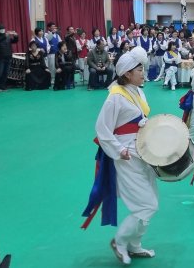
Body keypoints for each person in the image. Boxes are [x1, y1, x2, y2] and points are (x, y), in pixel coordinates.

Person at [81, 47, 157, 265]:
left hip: (143, 152)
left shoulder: (138, 91)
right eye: (139, 69)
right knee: (146, 205)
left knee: (151, 201)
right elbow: (102, 130)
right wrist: (119, 151)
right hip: (127, 156)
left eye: (142, 68)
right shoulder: (115, 98)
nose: (143, 72)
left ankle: (134, 244)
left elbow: (138, 119)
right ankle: (120, 241)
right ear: (126, 74)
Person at [0, 24, 18, 92]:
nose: (3, 30)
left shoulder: (7, 37)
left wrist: (16, 36)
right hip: (0, 57)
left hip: (8, 56)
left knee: (6, 72)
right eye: (1, 28)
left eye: (3, 28)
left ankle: (2, 86)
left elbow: (14, 41)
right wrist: (4, 36)